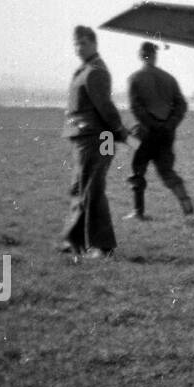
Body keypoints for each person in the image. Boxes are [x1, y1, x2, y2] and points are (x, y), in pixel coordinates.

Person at [61, 25, 130, 258]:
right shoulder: (86, 69)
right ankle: (74, 241)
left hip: (98, 138)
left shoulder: (95, 71)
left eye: (83, 43)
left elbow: (105, 107)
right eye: (76, 44)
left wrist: (120, 131)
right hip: (92, 137)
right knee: (81, 187)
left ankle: (103, 246)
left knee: (92, 189)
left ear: (93, 44)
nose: (78, 48)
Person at [125, 41, 194, 219]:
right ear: (155, 55)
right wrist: (169, 124)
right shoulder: (170, 79)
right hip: (166, 135)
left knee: (137, 171)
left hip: (144, 134)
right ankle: (188, 211)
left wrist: (151, 124)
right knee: (167, 172)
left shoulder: (134, 79)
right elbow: (182, 105)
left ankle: (138, 212)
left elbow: (136, 107)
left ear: (141, 56)